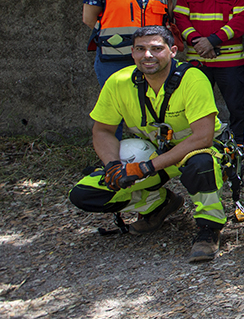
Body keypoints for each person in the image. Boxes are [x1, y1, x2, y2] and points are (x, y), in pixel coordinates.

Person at [69, 26, 227, 262]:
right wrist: (113, 165)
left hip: (193, 151)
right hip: (152, 153)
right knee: (85, 194)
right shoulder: (118, 82)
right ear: (132, 53)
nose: (148, 55)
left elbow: (202, 137)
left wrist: (148, 168)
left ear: (172, 51)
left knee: (201, 163)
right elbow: (102, 130)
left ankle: (209, 228)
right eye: (141, 49)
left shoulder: (192, 78)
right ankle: (159, 204)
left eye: (156, 48)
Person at [174, 0, 244, 143]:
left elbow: (241, 21)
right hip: (197, 61)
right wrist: (197, 41)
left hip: (230, 62)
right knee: (195, 107)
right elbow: (180, 18)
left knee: (237, 106)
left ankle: (240, 145)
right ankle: (199, 145)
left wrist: (212, 41)